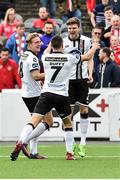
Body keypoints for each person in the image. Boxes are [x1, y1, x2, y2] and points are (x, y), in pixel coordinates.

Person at [10, 35, 99, 161]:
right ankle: (69, 153)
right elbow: (87, 57)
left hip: (46, 94)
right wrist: (94, 47)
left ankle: (21, 141)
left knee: (33, 121)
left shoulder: (45, 56)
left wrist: (51, 45)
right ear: (63, 46)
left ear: (52, 46)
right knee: (67, 123)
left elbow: (47, 50)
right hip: (61, 96)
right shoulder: (70, 58)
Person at [18, 32, 53, 159]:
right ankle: (23, 141)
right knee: (49, 121)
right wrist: (51, 72)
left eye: (40, 41)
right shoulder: (32, 58)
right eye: (36, 42)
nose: (40, 44)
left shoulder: (23, 55)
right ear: (29, 44)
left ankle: (33, 151)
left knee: (37, 122)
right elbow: (36, 76)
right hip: (35, 95)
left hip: (27, 93)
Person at [63, 17, 94, 158]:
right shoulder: (63, 42)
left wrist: (90, 74)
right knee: (68, 112)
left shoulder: (86, 41)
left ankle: (83, 142)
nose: (71, 30)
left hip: (81, 80)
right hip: (67, 81)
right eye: (69, 28)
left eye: (74, 28)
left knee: (83, 109)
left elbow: (90, 58)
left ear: (79, 28)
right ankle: (71, 143)